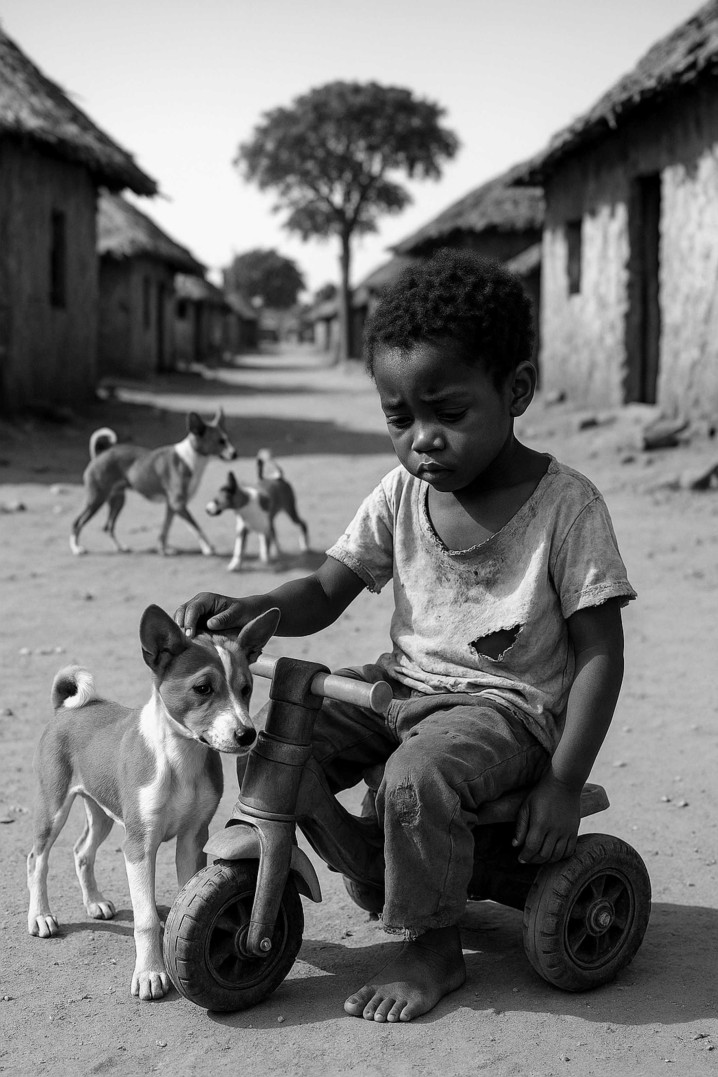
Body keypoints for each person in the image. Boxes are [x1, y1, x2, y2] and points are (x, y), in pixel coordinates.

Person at [175, 250, 636, 1024]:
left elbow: (601, 651)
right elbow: (325, 589)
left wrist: (561, 782)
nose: (422, 439)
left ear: (515, 390)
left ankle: (433, 945)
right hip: (401, 687)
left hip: (505, 713)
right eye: (400, 418)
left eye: (448, 414)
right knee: (285, 725)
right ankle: (309, 861)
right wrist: (250, 600)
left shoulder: (567, 507)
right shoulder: (401, 493)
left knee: (417, 777)